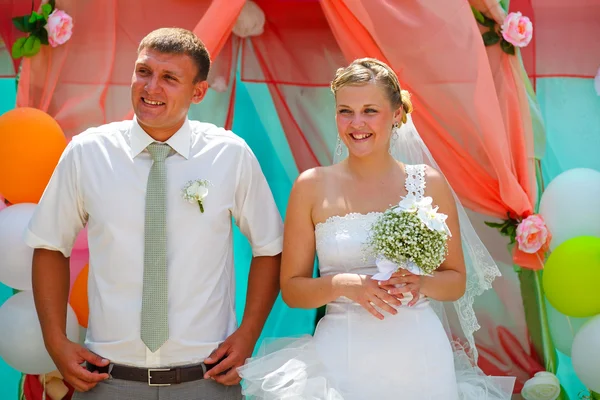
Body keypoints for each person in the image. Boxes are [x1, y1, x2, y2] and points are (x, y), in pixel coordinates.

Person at [26, 27, 283, 400]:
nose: (151, 87)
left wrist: (248, 334)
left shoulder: (231, 155)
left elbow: (270, 247)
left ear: (198, 92)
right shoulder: (87, 153)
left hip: (206, 381)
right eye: (143, 72)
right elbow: (49, 244)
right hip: (105, 380)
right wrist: (54, 341)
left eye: (169, 78)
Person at [237, 58, 516, 399]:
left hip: (420, 359)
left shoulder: (427, 183)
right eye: (345, 111)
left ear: (397, 113)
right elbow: (293, 291)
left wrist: (422, 283)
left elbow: (456, 279)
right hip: (342, 357)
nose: (357, 123)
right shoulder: (311, 185)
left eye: (370, 110)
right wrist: (343, 284)